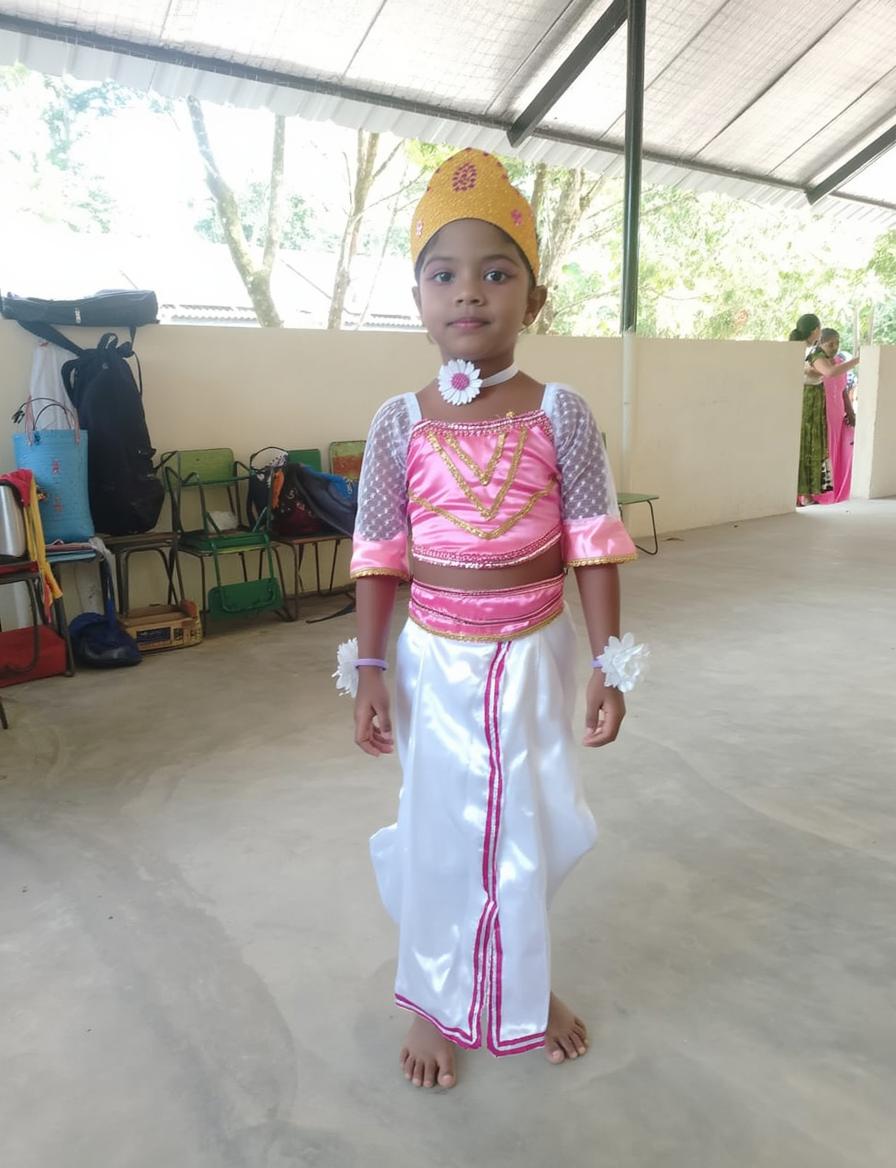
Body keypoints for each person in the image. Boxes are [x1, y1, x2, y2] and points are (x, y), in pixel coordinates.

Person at [340, 149, 645, 1090]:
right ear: (419, 298)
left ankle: (521, 985)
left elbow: (593, 543)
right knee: (441, 830)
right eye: (444, 274)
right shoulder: (399, 422)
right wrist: (375, 669)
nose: (468, 291)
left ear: (535, 297)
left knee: (534, 831)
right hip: (435, 664)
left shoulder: (562, 413)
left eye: (495, 271)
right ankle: (432, 1000)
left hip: (536, 658)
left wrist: (608, 662)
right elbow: (379, 555)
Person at [809, 328, 857, 504]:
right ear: (820, 344)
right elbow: (829, 374)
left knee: (836, 451)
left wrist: (850, 411)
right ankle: (817, 495)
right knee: (823, 452)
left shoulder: (839, 362)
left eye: (837, 343)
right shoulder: (816, 362)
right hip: (821, 414)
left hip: (837, 415)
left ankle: (833, 494)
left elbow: (843, 389)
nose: (835, 347)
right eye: (830, 344)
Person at [789, 313, 829, 506]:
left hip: (811, 399)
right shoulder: (806, 352)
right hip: (807, 400)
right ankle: (803, 493)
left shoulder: (807, 350)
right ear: (815, 330)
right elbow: (822, 372)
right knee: (806, 443)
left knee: (806, 444)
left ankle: (803, 494)